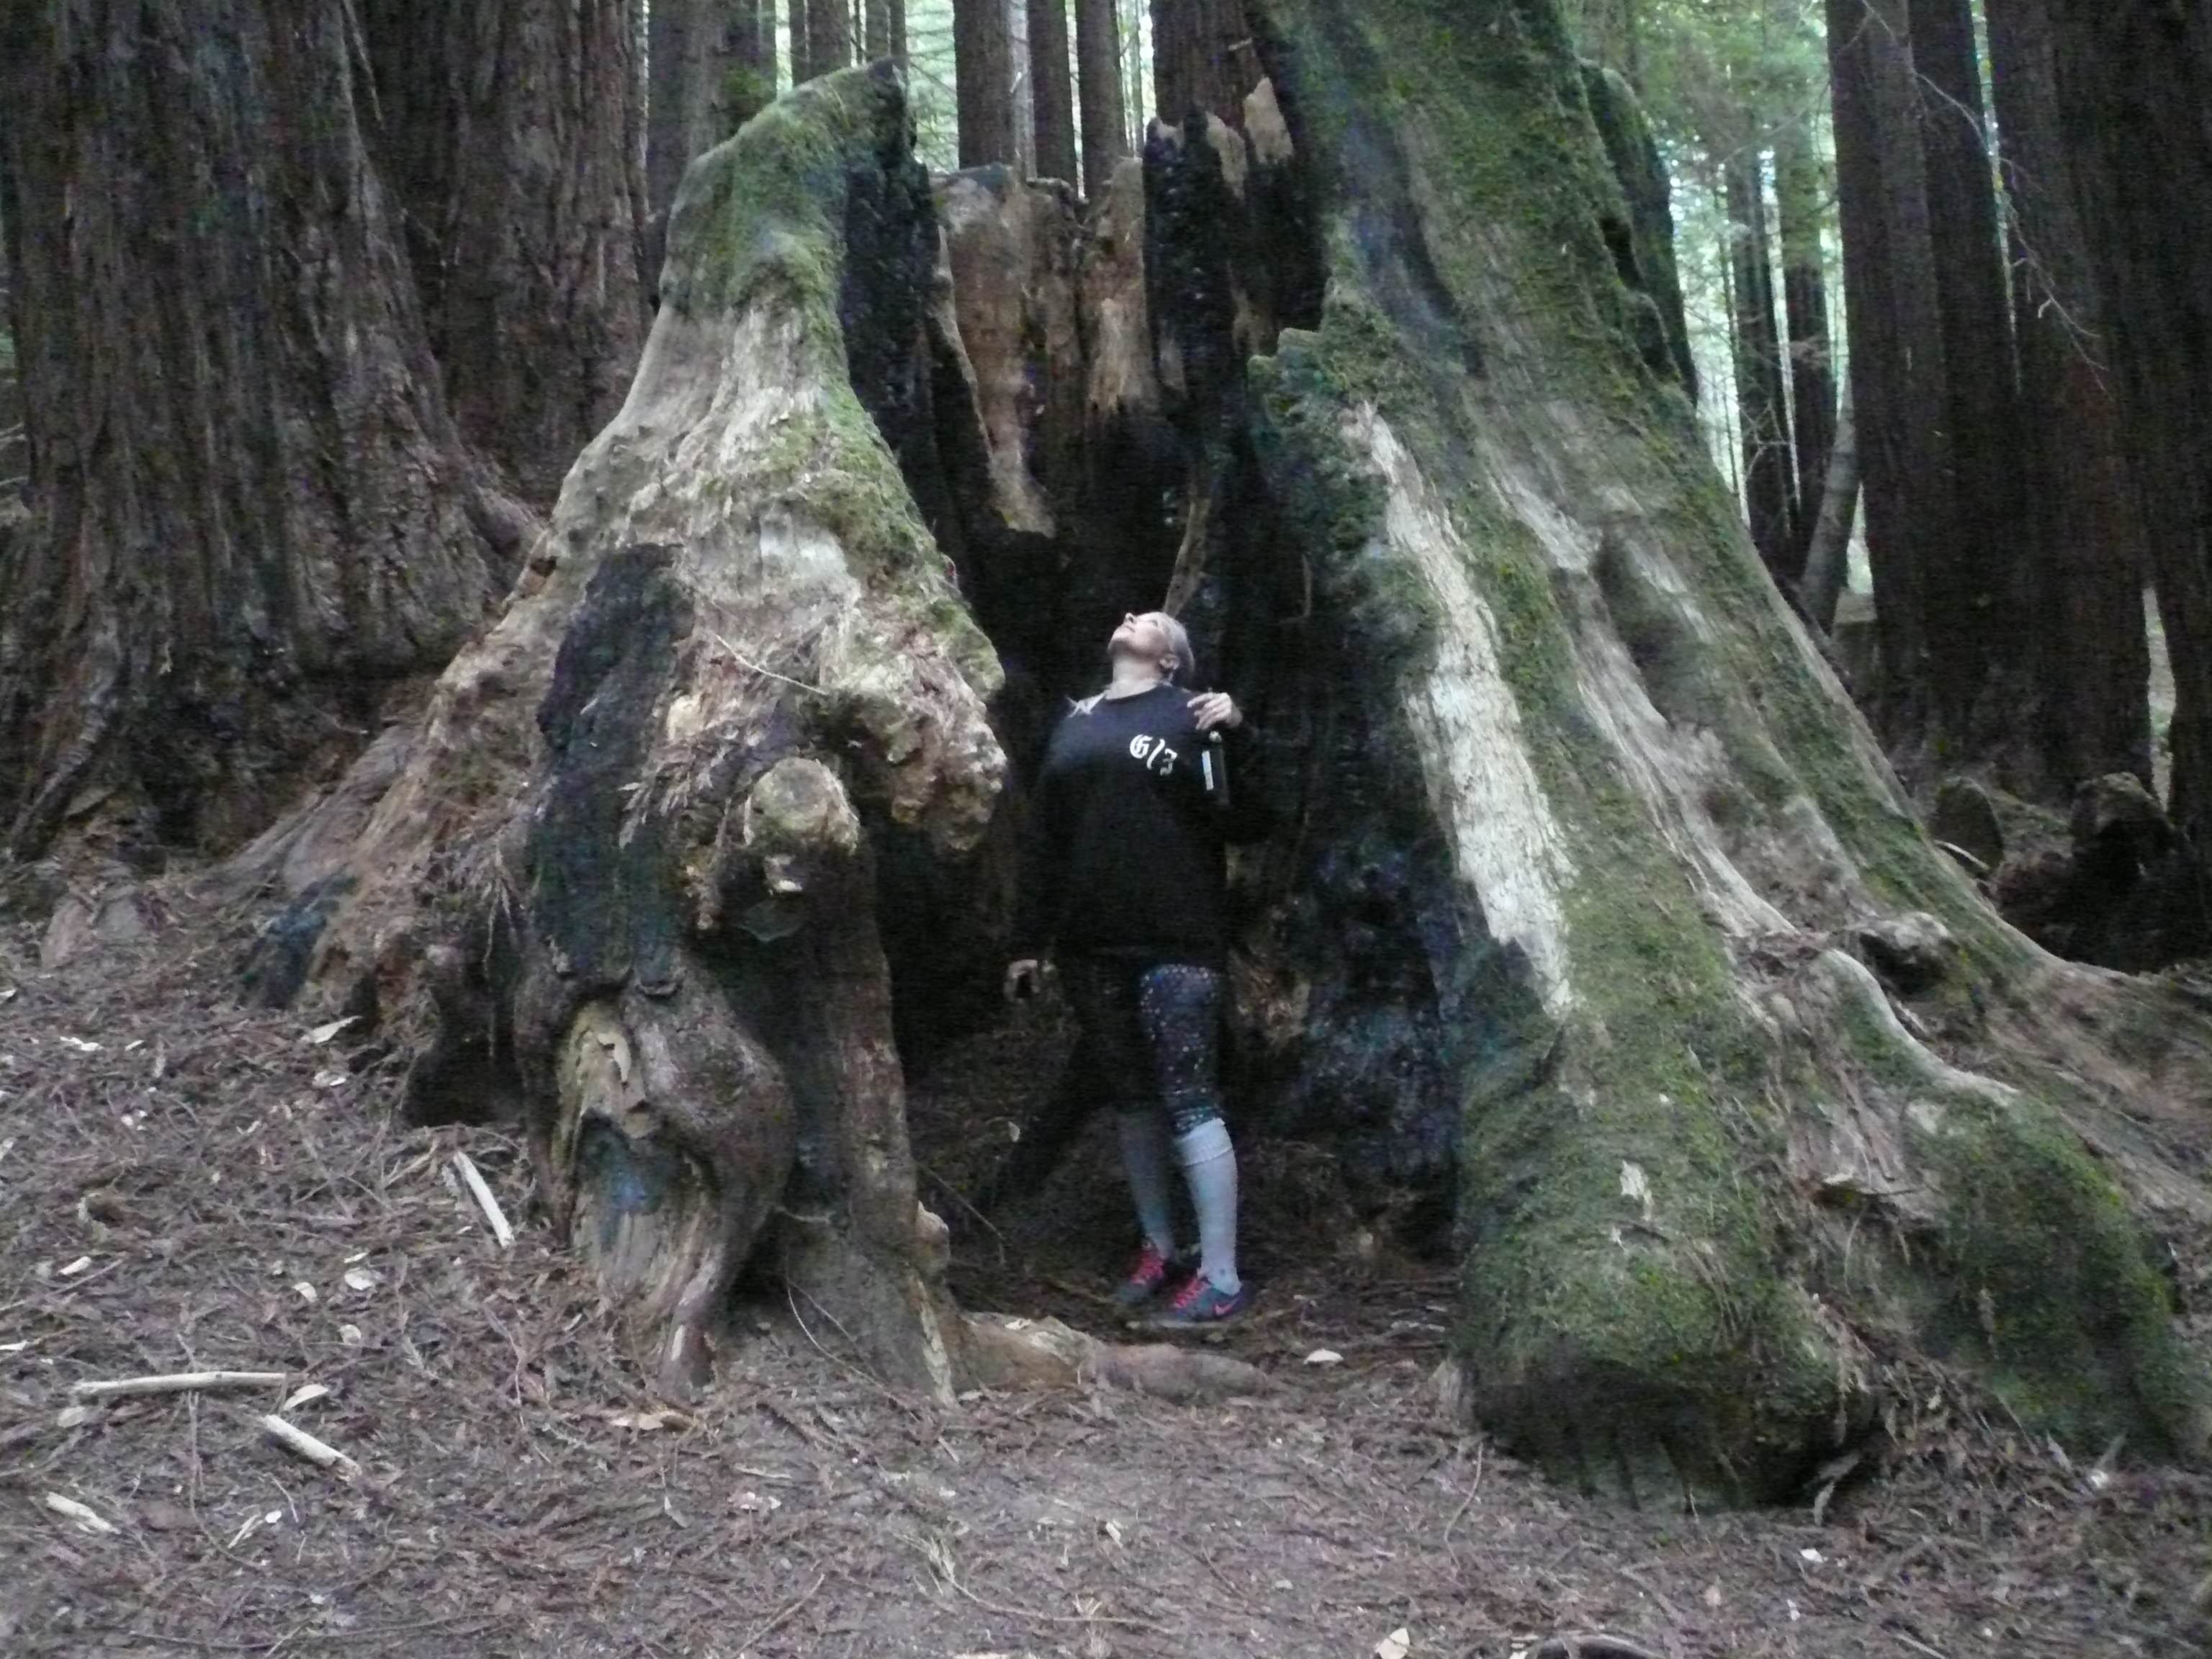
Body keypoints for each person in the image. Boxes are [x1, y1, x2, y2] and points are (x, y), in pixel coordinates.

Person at [1005, 610, 1255, 1329]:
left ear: (1172, 658)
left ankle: (1221, 1275)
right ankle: (1160, 1247)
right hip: (1092, 946)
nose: (1126, 620)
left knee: (1190, 1096)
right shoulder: (1075, 720)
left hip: (1178, 939)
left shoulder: (1193, 716)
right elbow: (1046, 840)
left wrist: (1239, 732)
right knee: (1131, 1098)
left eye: (1148, 621)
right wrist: (1028, 941)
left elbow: (1245, 817)